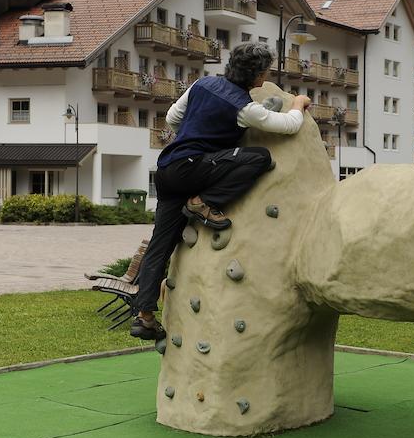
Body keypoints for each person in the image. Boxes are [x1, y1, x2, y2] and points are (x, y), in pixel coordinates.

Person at [129, 43, 311, 341]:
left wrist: (199, 132)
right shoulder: (244, 107)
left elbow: (173, 118)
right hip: (195, 170)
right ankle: (204, 202)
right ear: (257, 77)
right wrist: (299, 103)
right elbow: (289, 126)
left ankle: (144, 316)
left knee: (159, 246)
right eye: (265, 71)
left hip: (168, 170)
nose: (265, 77)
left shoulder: (203, 84)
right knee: (259, 157)